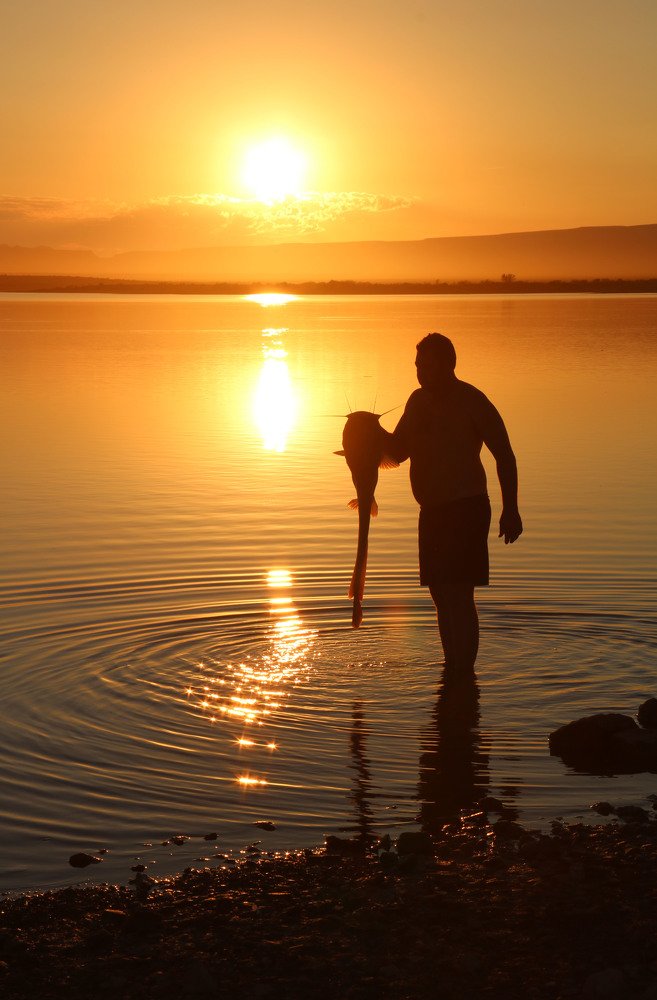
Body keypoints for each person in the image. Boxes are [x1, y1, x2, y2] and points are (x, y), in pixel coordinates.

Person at [390, 332, 522, 674]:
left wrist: (510, 509)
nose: (420, 373)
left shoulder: (472, 400)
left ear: (447, 365)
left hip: (466, 509)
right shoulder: (416, 402)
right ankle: (453, 668)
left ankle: (464, 673)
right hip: (431, 512)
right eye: (417, 366)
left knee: (460, 595)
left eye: (426, 366)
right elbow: (396, 452)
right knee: (439, 594)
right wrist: (364, 435)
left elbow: (505, 456)